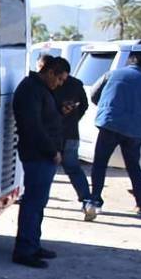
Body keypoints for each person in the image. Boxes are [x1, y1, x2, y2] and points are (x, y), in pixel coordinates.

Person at [89, 54, 141, 219]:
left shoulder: (111, 74)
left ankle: (95, 202)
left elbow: (93, 94)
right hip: (135, 130)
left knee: (100, 164)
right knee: (134, 168)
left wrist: (107, 107)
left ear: (128, 64)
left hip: (109, 124)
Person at [11, 55, 65, 269]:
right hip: (38, 154)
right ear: (50, 72)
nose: (59, 84)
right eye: (59, 79)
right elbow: (33, 127)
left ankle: (33, 244)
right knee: (33, 203)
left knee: (38, 202)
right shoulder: (31, 89)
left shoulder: (40, 89)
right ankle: (25, 249)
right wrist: (52, 151)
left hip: (42, 154)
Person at [50, 57, 94, 219]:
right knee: (74, 169)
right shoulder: (76, 84)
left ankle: (36, 200)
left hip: (52, 134)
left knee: (47, 169)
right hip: (71, 133)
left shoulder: (49, 84)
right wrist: (74, 118)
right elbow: (84, 105)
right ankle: (87, 201)